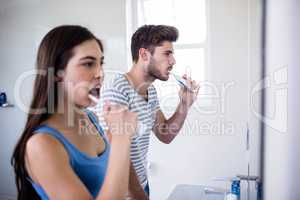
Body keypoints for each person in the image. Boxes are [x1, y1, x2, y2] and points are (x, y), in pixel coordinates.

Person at [11, 25, 138, 200]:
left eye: (101, 63)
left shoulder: (91, 119)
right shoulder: (41, 144)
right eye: (88, 64)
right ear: (56, 72)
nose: (100, 73)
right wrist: (122, 137)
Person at [99, 24, 200, 198]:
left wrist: (185, 104)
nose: (173, 61)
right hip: (124, 193)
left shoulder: (151, 91)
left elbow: (165, 134)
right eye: (167, 53)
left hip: (141, 185)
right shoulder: (117, 88)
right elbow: (114, 152)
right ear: (144, 54)